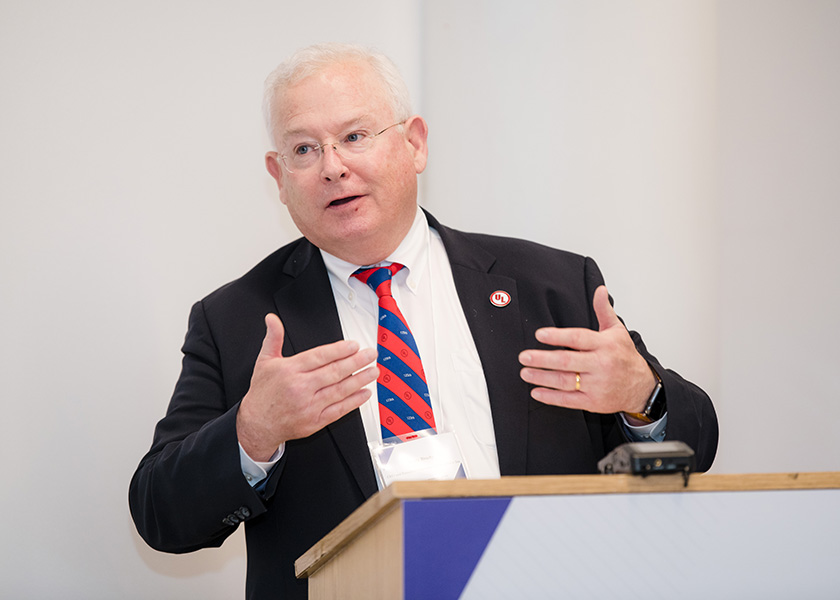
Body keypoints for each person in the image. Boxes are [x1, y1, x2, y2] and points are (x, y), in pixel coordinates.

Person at [129, 43, 718, 600]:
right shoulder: (236, 322)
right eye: (304, 150)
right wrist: (252, 433)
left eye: (354, 136)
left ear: (414, 144)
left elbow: (698, 444)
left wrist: (642, 395)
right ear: (279, 178)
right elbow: (161, 515)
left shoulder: (552, 285)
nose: (332, 167)